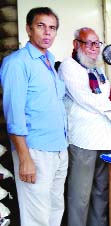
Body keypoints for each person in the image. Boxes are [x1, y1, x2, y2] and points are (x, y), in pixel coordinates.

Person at [58, 27, 111, 226]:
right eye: (89, 43)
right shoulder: (68, 67)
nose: (94, 48)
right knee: (80, 195)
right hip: (83, 140)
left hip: (103, 138)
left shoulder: (97, 70)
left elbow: (106, 95)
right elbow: (86, 99)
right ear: (76, 44)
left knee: (101, 192)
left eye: (97, 43)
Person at [0, 7, 68, 226]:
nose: (47, 33)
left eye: (52, 28)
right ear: (28, 30)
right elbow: (14, 115)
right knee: (36, 217)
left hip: (59, 148)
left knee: (56, 209)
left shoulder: (49, 61)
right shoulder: (17, 64)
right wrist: (25, 158)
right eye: (41, 26)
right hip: (35, 151)